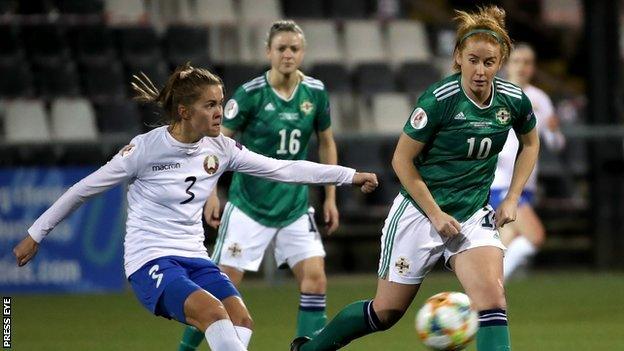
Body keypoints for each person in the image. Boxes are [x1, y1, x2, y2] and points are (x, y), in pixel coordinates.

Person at [12, 63, 378, 351]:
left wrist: (348, 175)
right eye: (211, 105)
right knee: (214, 314)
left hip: (194, 257)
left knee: (241, 321)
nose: (221, 112)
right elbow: (83, 190)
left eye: (221, 102)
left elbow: (283, 168)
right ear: (185, 112)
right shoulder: (144, 150)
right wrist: (35, 233)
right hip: (150, 260)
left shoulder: (220, 148)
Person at [291, 5, 540, 351]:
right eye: (473, 60)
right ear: (458, 57)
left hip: (470, 216)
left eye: (489, 62)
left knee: (492, 302)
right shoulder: (440, 100)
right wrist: (436, 214)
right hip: (420, 214)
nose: (480, 71)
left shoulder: (513, 101)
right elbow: (401, 160)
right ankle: (310, 348)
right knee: (386, 312)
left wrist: (513, 196)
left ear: (500, 63)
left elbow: (530, 142)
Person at [178, 19, 342, 350]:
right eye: (281, 48)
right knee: (218, 289)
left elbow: (326, 142)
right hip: (249, 206)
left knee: (315, 280)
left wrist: (330, 196)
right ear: (269, 51)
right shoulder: (250, 95)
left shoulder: (315, 92)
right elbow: (215, 144)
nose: (288, 54)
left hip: (294, 205)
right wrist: (212, 192)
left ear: (302, 52)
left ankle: (306, 347)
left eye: (294, 48)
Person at [490, 43, 566, 281]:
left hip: (527, 184)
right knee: (535, 236)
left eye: (527, 62)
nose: (522, 67)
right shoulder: (496, 94)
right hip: (503, 183)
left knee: (506, 244)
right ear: (507, 64)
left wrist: (554, 132)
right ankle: (490, 287)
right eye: (517, 61)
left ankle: (485, 297)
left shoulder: (539, 98)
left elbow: (555, 144)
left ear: (533, 67)